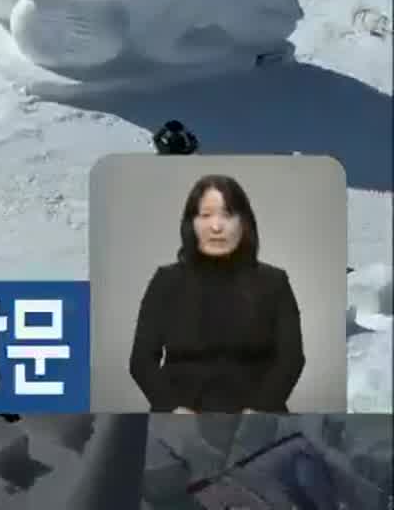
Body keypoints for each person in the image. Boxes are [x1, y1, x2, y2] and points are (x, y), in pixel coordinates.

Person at [128, 174, 304, 413]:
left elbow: (291, 359)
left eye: (227, 215)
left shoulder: (274, 282)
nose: (216, 226)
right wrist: (172, 408)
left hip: (260, 423)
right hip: (179, 424)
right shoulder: (166, 281)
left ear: (244, 223)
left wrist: (260, 409)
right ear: (191, 223)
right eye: (206, 215)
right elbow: (141, 361)